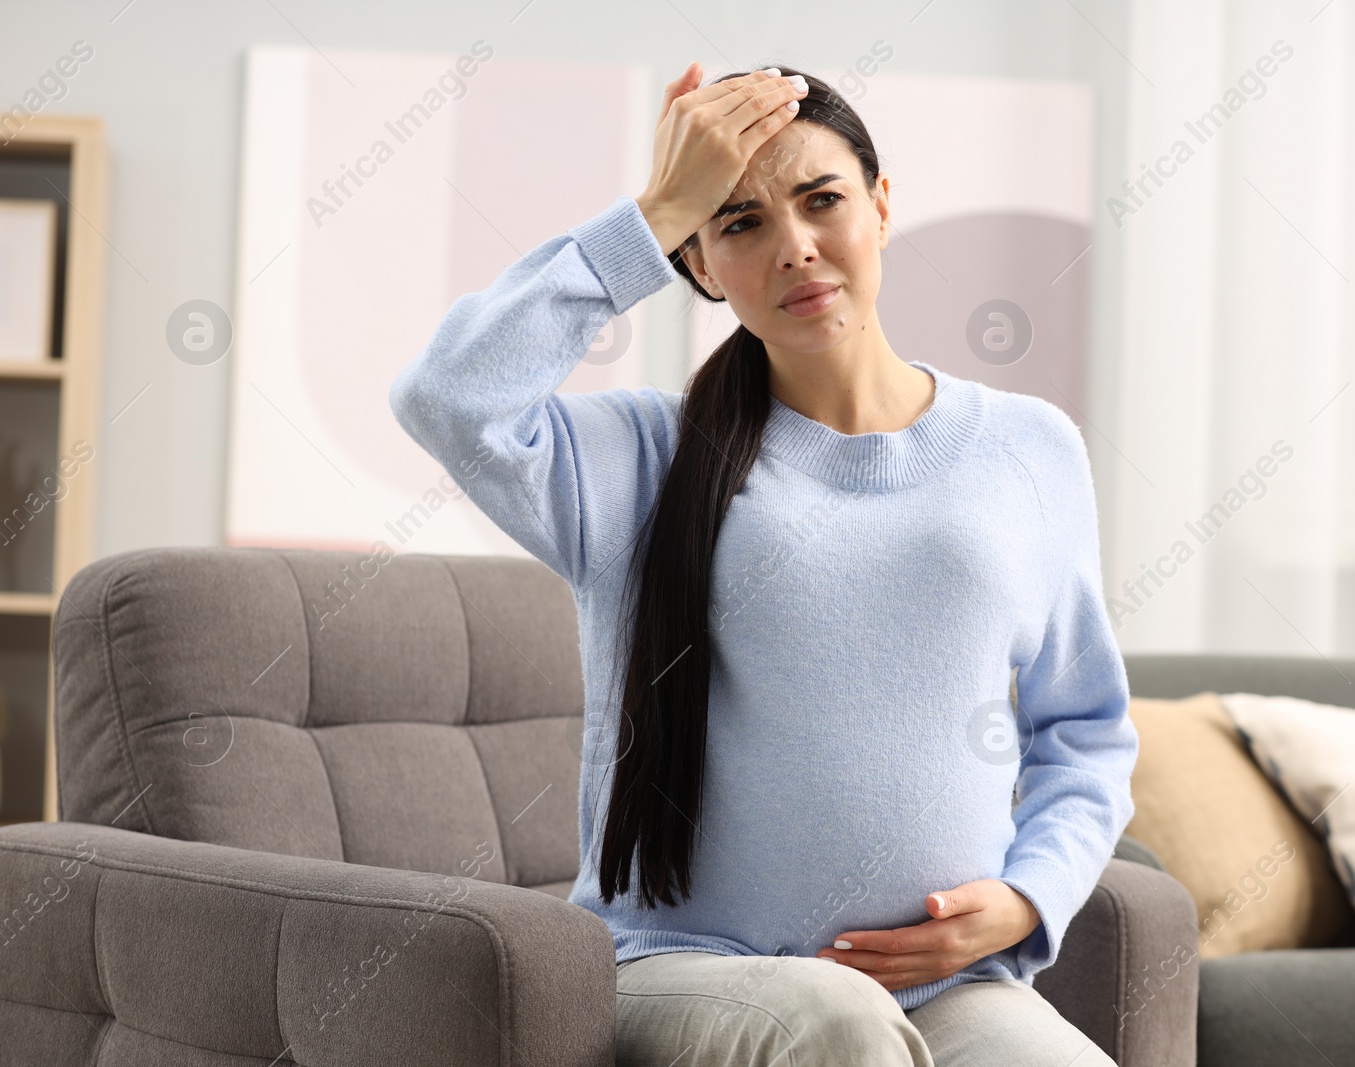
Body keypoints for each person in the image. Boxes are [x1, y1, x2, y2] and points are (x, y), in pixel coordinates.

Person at [389, 59, 1135, 1067]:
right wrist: (653, 212)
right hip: (679, 966)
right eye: (738, 222)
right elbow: (447, 395)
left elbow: (1085, 729)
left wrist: (1025, 897)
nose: (794, 247)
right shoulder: (642, 460)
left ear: (879, 205)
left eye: (822, 200)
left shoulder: (1030, 447)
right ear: (697, 264)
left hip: (948, 987)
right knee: (835, 1024)